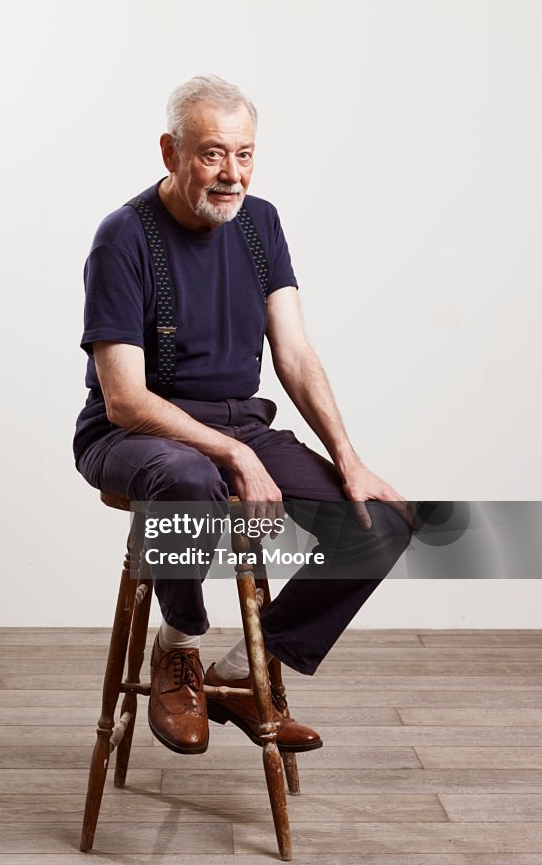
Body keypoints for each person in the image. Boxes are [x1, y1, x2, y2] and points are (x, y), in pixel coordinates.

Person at [72, 74, 415, 757]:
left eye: (245, 154)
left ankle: (247, 673)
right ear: (170, 151)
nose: (232, 174)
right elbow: (124, 399)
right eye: (211, 154)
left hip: (240, 423)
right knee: (190, 481)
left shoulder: (260, 224)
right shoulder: (123, 237)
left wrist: (348, 457)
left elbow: (293, 352)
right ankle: (179, 650)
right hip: (132, 434)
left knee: (382, 525)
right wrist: (235, 456)